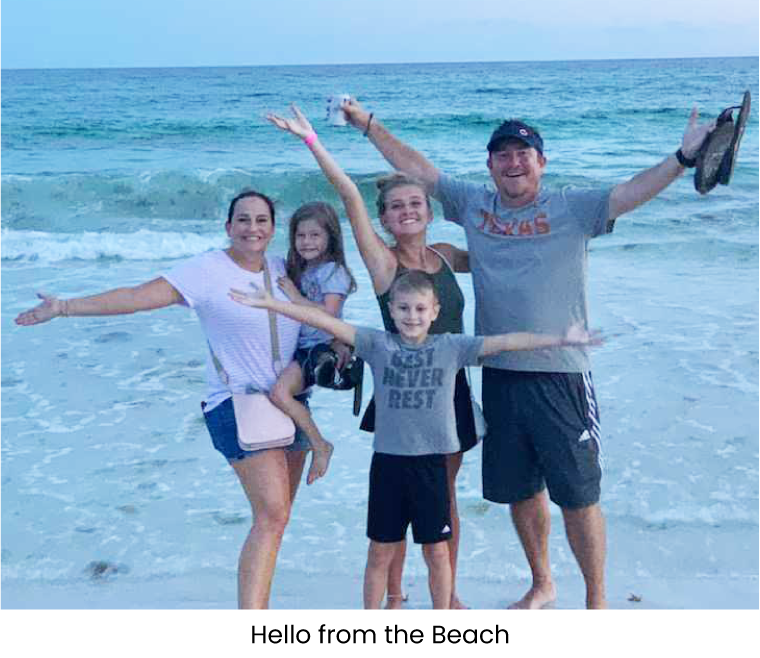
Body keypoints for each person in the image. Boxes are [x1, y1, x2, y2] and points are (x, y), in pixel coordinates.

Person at [341, 99, 716, 609]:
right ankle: (542, 583)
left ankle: (596, 601)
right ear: (490, 165)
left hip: (562, 374)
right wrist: (366, 124)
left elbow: (630, 194)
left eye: (524, 153)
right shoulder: (474, 204)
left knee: (579, 494)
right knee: (520, 490)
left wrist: (682, 157)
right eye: (503, 155)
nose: (514, 162)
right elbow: (420, 172)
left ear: (542, 161)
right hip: (498, 374)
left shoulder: (571, 207)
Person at [14, 189, 320, 609]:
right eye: (243, 220)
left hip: (288, 406)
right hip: (237, 406)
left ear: (272, 228)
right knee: (271, 515)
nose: (253, 228)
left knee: (277, 519)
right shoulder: (207, 270)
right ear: (228, 226)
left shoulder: (283, 269)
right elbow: (138, 298)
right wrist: (65, 307)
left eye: (262, 220)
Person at [229, 270, 600, 609]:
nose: (412, 315)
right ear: (391, 310)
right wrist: (270, 304)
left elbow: (505, 341)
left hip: (431, 467)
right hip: (388, 465)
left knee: (437, 552)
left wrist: (560, 339)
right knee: (379, 551)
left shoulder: (450, 347)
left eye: (420, 308)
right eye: (403, 308)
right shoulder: (377, 344)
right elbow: (323, 320)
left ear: (435, 311)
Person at [267, 105, 474, 608]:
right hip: (405, 394)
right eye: (396, 206)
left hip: (453, 389)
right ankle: (396, 595)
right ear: (385, 218)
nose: (407, 211)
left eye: (415, 203)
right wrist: (313, 141)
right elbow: (348, 196)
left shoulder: (447, 253)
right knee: (401, 498)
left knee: (444, 493)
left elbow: (505, 257)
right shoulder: (384, 263)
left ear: (429, 210)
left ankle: (447, 596)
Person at [269, 201, 357, 485]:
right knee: (284, 396)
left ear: (330, 236)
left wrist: (295, 297)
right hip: (301, 348)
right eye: (300, 235)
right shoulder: (301, 270)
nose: (306, 242)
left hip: (321, 348)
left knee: (281, 394)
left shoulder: (334, 272)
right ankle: (303, 444)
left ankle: (320, 445)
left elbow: (329, 313)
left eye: (315, 235)